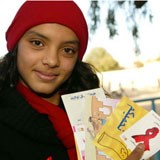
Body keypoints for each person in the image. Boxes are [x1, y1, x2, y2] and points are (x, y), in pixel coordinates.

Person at [0, 1, 144, 160]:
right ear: (16, 45)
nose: (52, 60)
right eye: (37, 43)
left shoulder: (99, 112)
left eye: (67, 50)